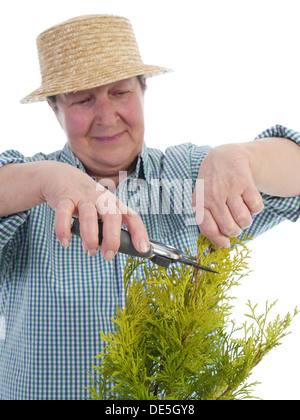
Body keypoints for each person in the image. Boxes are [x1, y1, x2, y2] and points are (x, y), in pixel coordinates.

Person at [0, 14, 299, 400]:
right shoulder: (26, 191)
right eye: (82, 99)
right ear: (54, 108)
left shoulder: (192, 174)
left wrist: (244, 158)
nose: (106, 117)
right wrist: (44, 179)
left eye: (120, 92)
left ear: (143, 89)